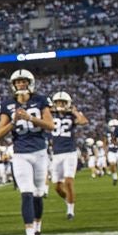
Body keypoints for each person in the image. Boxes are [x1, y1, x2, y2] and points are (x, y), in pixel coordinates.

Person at [0, 69, 54, 235]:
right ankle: (29, 233)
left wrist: (30, 118)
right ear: (13, 85)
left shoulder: (40, 100)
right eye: (18, 82)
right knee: (26, 193)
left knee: (38, 193)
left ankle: (37, 229)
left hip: (40, 152)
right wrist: (13, 121)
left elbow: (50, 126)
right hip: (21, 153)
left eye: (24, 82)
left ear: (30, 83)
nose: (21, 85)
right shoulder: (7, 104)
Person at [48, 91, 88, 220]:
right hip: (56, 154)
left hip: (70, 152)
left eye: (63, 102)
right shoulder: (49, 114)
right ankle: (68, 201)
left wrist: (75, 112)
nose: (60, 105)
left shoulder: (71, 116)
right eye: (58, 102)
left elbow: (83, 121)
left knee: (69, 182)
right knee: (57, 187)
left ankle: (71, 211)